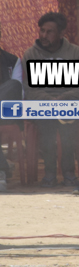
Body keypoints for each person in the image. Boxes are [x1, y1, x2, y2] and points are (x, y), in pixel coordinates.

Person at [22, 12, 79, 187]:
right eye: (42, 31)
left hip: (68, 103)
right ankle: (50, 174)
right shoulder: (31, 54)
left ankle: (69, 173)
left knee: (68, 126)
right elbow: (29, 89)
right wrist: (49, 101)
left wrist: (62, 99)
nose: (44, 35)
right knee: (46, 125)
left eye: (49, 31)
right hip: (42, 105)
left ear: (61, 33)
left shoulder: (75, 53)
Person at [0, 22, 23, 191]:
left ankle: (3, 168)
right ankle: (3, 167)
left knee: (13, 85)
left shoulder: (13, 61)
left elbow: (18, 93)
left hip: (6, 110)